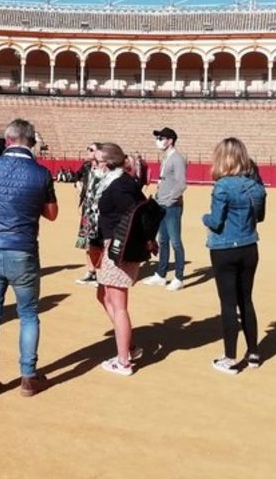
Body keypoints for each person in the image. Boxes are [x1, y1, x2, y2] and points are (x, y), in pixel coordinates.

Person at [0, 119, 58, 399]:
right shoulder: (40, 173)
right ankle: (28, 377)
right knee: (28, 314)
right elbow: (52, 213)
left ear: (7, 141)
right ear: (31, 141)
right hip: (23, 249)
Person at [202, 138, 267, 375]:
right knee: (246, 300)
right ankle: (253, 351)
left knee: (228, 304)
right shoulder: (256, 186)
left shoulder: (222, 186)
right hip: (249, 246)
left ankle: (230, 358)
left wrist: (204, 219)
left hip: (224, 248)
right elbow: (260, 218)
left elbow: (216, 221)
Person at [93, 143, 147, 376]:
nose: (93, 165)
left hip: (119, 248)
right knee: (104, 294)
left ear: (106, 163)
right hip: (116, 245)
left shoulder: (119, 186)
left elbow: (137, 213)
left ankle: (124, 359)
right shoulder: (123, 182)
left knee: (118, 303)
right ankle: (128, 346)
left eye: (96, 161)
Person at [142, 127, 187, 291]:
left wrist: (169, 200)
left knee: (175, 241)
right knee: (163, 240)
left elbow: (181, 183)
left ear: (170, 140)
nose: (158, 141)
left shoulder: (177, 159)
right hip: (161, 204)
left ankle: (179, 278)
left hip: (172, 206)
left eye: (161, 138)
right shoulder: (166, 158)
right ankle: (161, 275)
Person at [74, 143, 103, 286]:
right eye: (88, 149)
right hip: (87, 208)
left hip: (98, 210)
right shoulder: (86, 167)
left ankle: (99, 273)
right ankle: (91, 271)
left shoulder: (104, 168)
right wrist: (79, 188)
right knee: (86, 242)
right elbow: (76, 177)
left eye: (91, 150)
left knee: (97, 242)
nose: (88, 152)